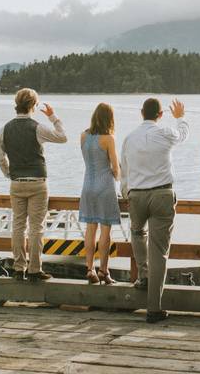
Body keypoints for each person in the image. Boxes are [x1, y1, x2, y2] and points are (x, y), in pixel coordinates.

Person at [121, 97, 188, 323]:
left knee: (137, 232)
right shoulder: (165, 133)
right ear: (160, 115)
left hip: (137, 195)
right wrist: (180, 117)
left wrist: (126, 193)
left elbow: (124, 170)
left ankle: (144, 274)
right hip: (161, 194)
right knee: (159, 250)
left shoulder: (129, 139)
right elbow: (183, 134)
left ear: (141, 113)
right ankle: (154, 307)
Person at [0, 88, 68, 282]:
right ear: (33, 106)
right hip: (37, 182)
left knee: (18, 226)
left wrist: (10, 175)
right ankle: (35, 269)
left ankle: (19, 267)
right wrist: (53, 117)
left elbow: (0, 159)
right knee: (36, 228)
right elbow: (63, 137)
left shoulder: (5, 129)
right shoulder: (37, 127)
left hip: (17, 183)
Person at [79, 102, 121, 285]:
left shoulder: (83, 136)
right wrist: (118, 177)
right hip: (105, 187)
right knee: (105, 230)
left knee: (90, 229)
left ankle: (89, 268)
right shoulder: (109, 139)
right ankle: (104, 270)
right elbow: (115, 168)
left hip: (87, 185)